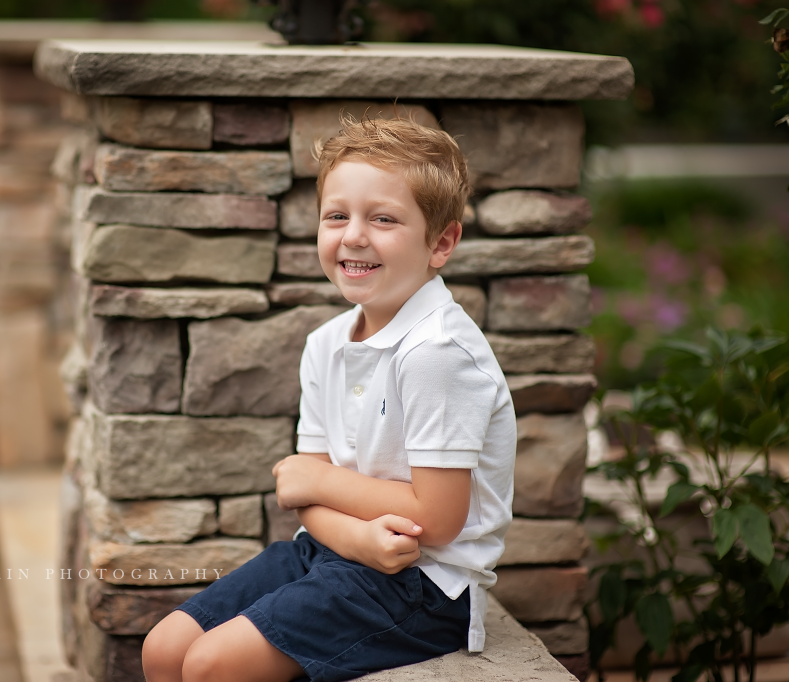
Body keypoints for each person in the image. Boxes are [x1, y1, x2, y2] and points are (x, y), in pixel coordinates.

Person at [142, 114, 517, 682]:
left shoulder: (438, 353)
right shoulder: (326, 345)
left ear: (441, 242)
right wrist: (355, 536)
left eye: (384, 219)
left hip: (428, 588)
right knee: (164, 649)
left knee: (212, 667)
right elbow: (306, 505)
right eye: (337, 215)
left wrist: (316, 481)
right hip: (335, 550)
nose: (354, 236)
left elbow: (436, 521)